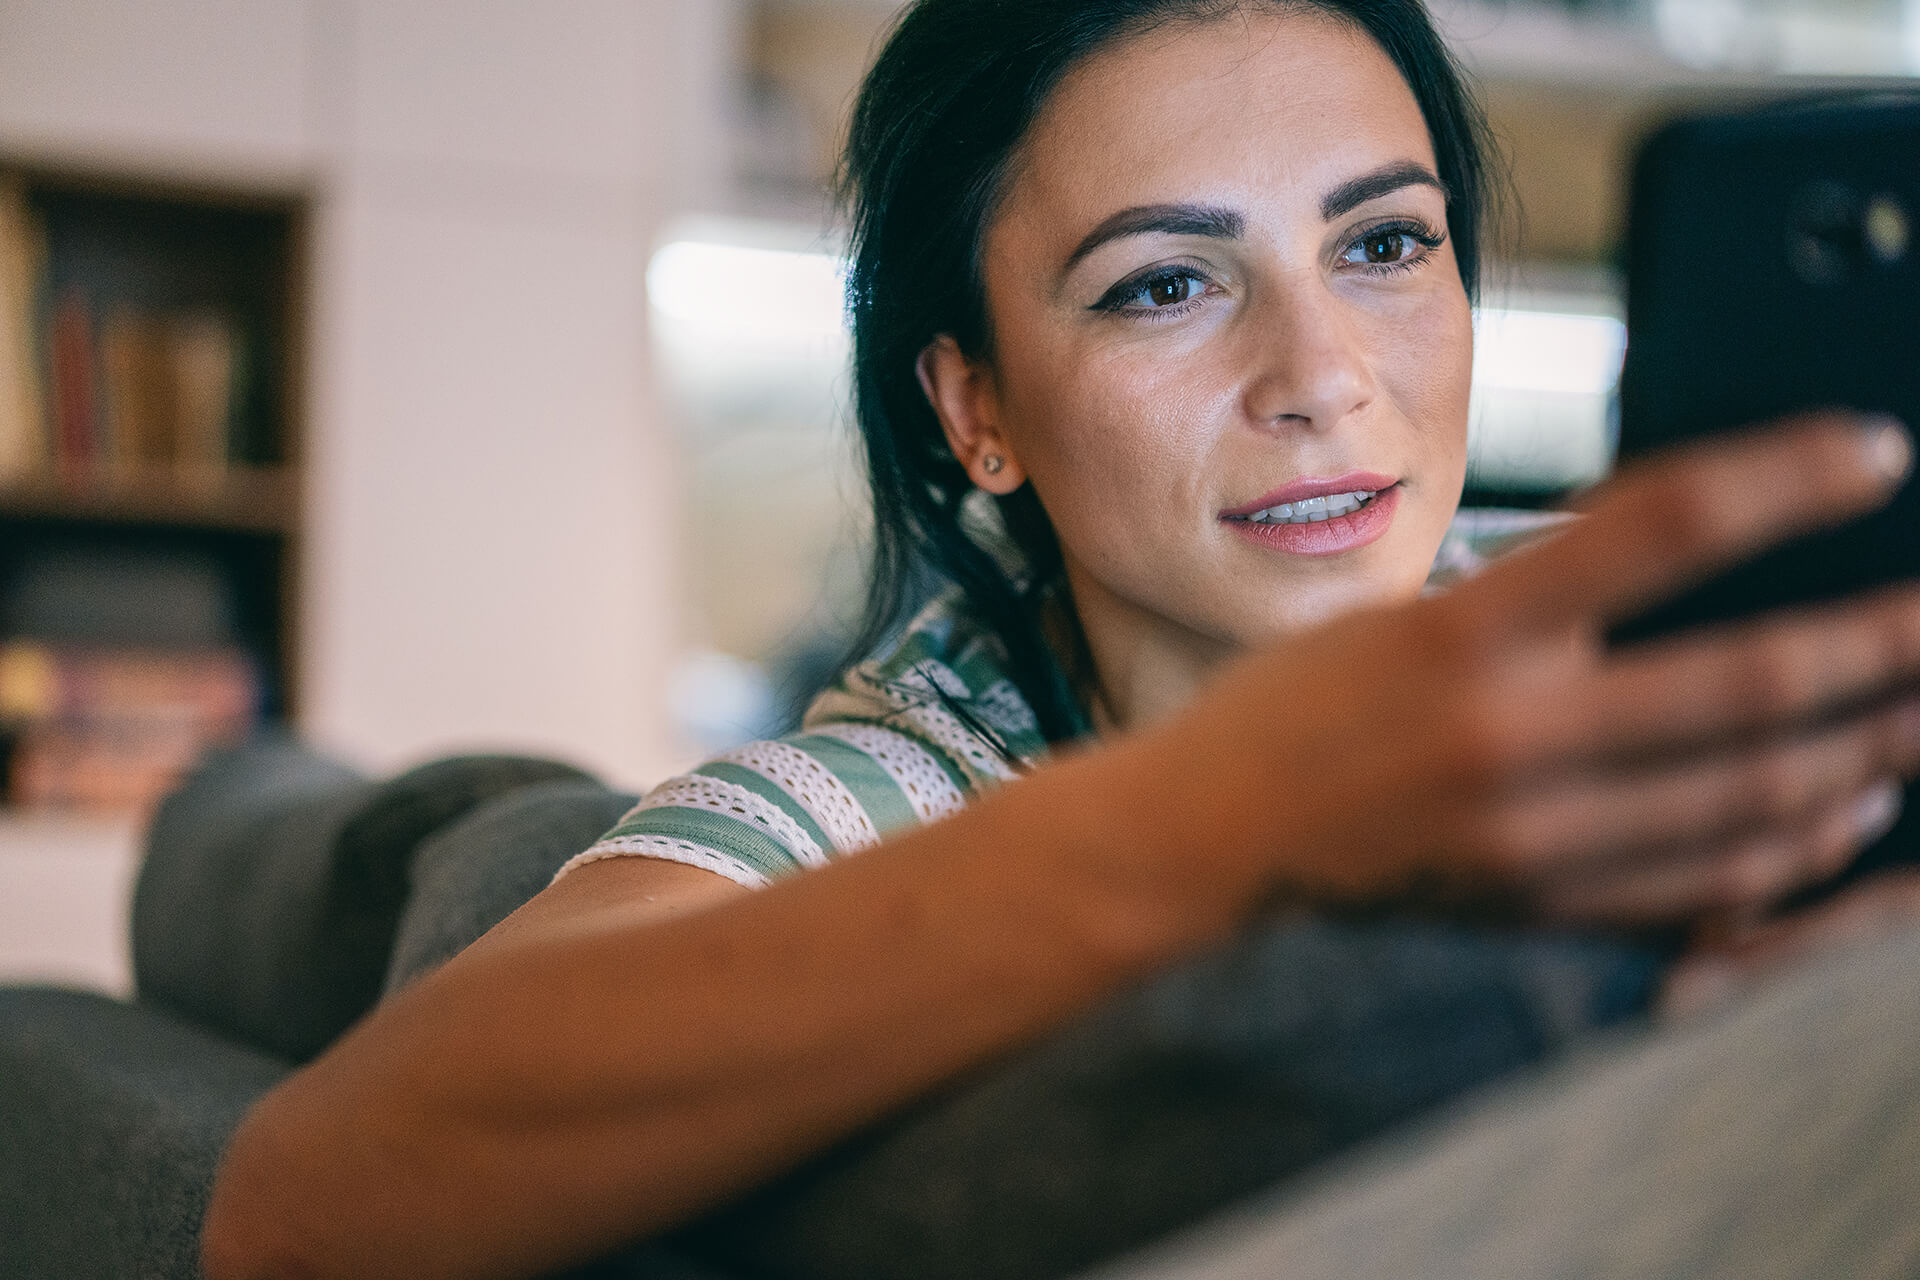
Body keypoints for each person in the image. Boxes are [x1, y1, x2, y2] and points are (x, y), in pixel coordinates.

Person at [200, 2, 1920, 1277]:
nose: (1323, 374)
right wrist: (1239, 812)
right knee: (375, 851)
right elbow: (292, 1208)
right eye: (1164, 282)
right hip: (469, 850)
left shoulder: (1631, 622)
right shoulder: (892, 776)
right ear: (978, 409)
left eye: (1386, 243)